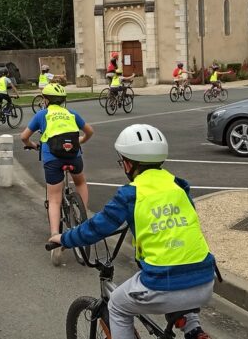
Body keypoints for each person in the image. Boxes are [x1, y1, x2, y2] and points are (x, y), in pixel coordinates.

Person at [49, 124, 216, 339]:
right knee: (177, 264)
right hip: (204, 280)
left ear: (128, 164)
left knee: (118, 304)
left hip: (163, 284)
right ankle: (193, 329)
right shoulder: (178, 186)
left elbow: (96, 228)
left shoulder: (130, 195)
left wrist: (64, 238)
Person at [20, 84, 95, 265]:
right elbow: (90, 131)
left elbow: (24, 137)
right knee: (80, 181)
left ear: (45, 100)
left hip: (52, 158)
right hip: (74, 155)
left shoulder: (42, 115)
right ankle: (82, 216)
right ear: (63, 101)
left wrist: (32, 144)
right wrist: (80, 141)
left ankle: (55, 237)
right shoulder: (72, 114)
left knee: (54, 198)